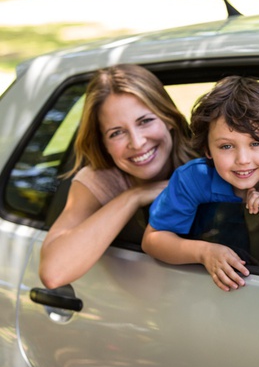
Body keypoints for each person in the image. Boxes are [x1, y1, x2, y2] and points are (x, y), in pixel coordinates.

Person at [39, 64, 197, 289]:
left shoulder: (211, 162)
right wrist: (134, 196)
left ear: (168, 118)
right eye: (117, 133)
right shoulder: (101, 179)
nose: (137, 142)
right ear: (103, 144)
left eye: (145, 121)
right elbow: (53, 273)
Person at [142, 76, 259, 292]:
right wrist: (204, 252)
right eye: (226, 147)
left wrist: (256, 230)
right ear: (207, 149)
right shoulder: (193, 178)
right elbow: (153, 240)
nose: (243, 159)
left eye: (256, 143)